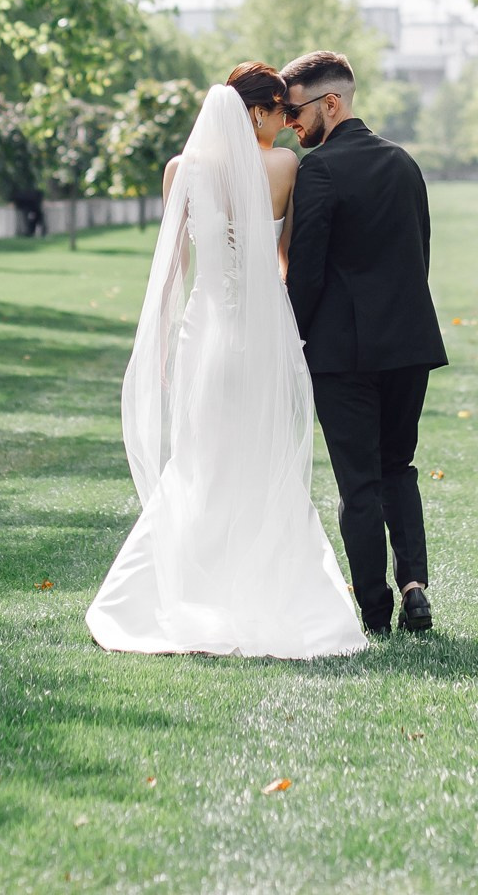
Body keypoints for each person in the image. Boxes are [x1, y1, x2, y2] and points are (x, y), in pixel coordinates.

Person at [86, 64, 366, 658]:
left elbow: (172, 272)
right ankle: (273, 595)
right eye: (279, 116)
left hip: (203, 333)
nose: (287, 128)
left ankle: (177, 596)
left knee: (200, 461)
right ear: (259, 113)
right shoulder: (286, 168)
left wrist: (160, 343)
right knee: (262, 463)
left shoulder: (180, 172)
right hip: (261, 335)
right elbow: (285, 263)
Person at [280, 50, 447, 635]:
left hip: (343, 354)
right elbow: (419, 255)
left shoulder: (318, 171)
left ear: (332, 103)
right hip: (410, 344)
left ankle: (375, 613)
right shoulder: (405, 163)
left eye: (295, 111)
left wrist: (289, 338)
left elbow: (307, 271)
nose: (289, 125)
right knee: (398, 467)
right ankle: (415, 587)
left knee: (359, 483)